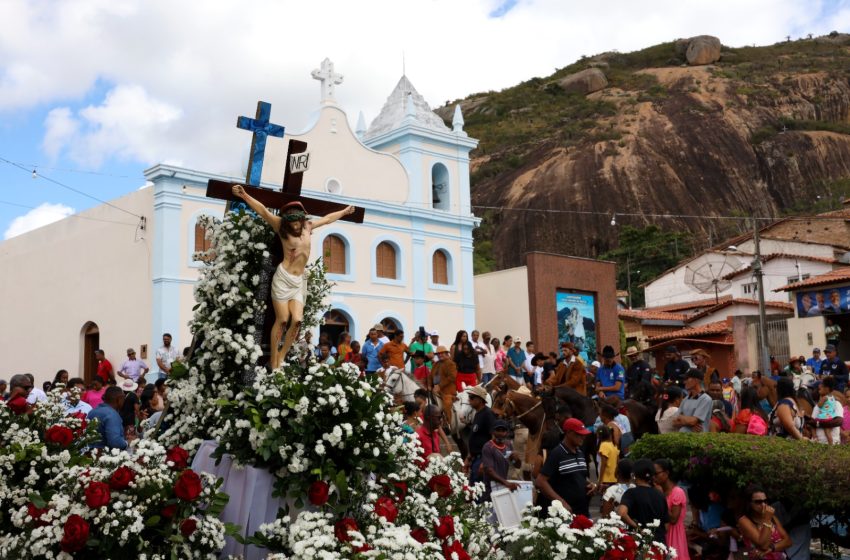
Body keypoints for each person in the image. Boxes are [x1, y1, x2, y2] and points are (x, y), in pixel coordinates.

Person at [231, 184, 355, 367]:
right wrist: (244, 195)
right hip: (283, 278)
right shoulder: (280, 226)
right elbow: (263, 211)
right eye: (291, 222)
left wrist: (344, 211)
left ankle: (281, 356)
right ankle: (274, 361)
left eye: (297, 221)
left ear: (302, 218)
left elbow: (328, 219)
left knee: (297, 321)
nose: (295, 225)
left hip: (298, 281)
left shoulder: (308, 226)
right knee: (282, 320)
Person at [535, 418, 595, 517]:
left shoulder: (580, 453)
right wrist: (561, 503)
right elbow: (540, 481)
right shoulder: (557, 453)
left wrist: (590, 484)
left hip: (582, 511)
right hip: (565, 514)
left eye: (584, 435)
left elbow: (579, 476)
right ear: (569, 433)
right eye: (579, 434)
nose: (583, 437)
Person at [618, 459, 668, 543]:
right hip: (659, 543)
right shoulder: (660, 495)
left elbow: (622, 513)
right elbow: (666, 525)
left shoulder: (631, 493)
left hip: (638, 542)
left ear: (634, 474)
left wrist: (638, 528)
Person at [736, 485, 792, 560]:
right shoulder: (744, 520)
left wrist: (771, 548)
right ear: (749, 503)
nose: (763, 505)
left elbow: (788, 541)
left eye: (765, 501)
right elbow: (764, 545)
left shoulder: (772, 517)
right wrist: (767, 520)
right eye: (758, 502)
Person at [653, 459, 689, 560]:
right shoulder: (657, 491)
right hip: (661, 534)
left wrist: (661, 496)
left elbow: (673, 519)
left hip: (674, 535)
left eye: (656, 473)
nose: (654, 477)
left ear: (666, 473)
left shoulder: (677, 492)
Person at [481, 420, 522, 501]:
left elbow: (517, 465)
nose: (500, 433)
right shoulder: (488, 447)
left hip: (502, 486)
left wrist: (517, 459)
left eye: (503, 430)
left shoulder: (508, 444)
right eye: (498, 430)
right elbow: (489, 470)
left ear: (507, 433)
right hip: (490, 488)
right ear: (493, 431)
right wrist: (507, 483)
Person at [465, 385, 497, 487]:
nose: (469, 400)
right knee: (473, 490)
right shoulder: (478, 414)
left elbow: (494, 438)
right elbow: (475, 437)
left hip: (482, 459)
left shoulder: (488, 414)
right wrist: (469, 457)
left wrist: (485, 461)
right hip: (475, 459)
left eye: (472, 397)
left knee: (480, 490)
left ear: (480, 400)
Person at [88, 386, 130, 450]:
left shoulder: (92, 411)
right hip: (104, 454)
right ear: (119, 399)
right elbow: (115, 442)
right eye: (123, 399)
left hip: (89, 453)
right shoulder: (112, 415)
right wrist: (127, 443)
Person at [808, 375, 844, 445]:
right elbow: (812, 423)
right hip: (817, 444)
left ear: (827, 388)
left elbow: (839, 421)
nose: (819, 386)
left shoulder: (836, 403)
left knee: (828, 434)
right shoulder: (817, 406)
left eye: (822, 385)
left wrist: (818, 423)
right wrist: (814, 436)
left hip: (833, 444)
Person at [428, 346, 457, 425]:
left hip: (447, 392)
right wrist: (429, 386)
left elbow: (452, 377)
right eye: (438, 354)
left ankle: (448, 423)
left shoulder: (451, 363)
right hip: (434, 391)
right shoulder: (435, 364)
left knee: (447, 403)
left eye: (442, 353)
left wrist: (440, 386)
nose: (440, 355)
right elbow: (430, 376)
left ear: (446, 353)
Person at [596, 426, 619, 490]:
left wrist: (600, 480)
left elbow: (603, 464)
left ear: (599, 435)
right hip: (614, 478)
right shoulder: (614, 444)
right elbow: (618, 461)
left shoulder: (604, 445)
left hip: (606, 479)